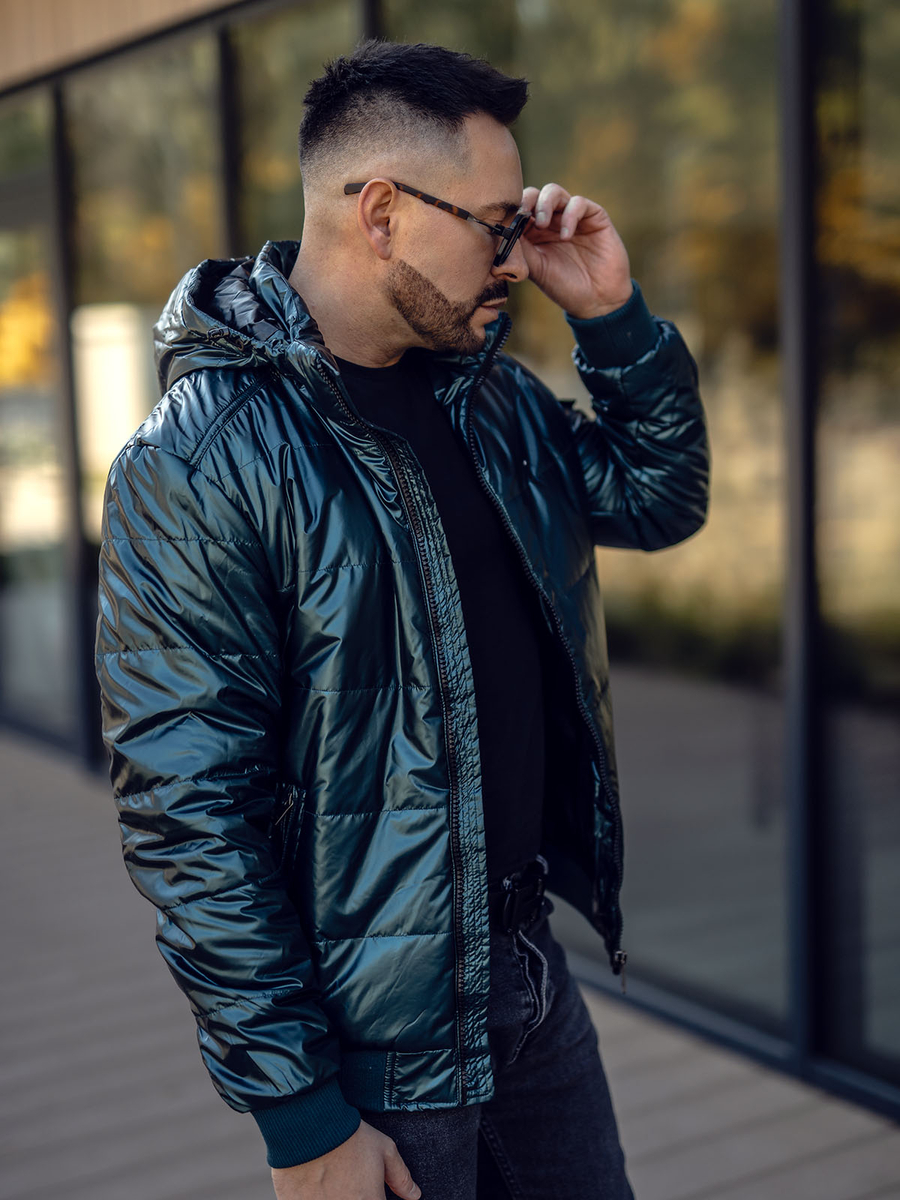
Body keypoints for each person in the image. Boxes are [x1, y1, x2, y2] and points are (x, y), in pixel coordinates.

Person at [94, 38, 709, 1200]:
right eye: (493, 225)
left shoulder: (493, 400)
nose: (514, 259)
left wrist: (615, 318)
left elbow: (658, 496)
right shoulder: (201, 459)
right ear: (381, 212)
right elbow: (188, 812)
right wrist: (300, 1114)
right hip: (375, 1041)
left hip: (528, 975)